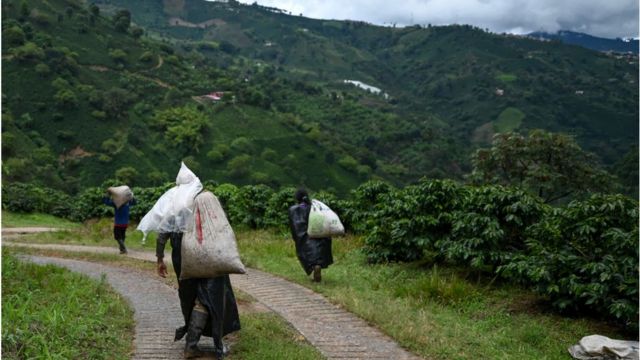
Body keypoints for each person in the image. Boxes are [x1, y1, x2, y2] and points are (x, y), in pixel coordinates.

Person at [156, 229, 241, 359]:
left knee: (190, 295)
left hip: (182, 254)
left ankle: (192, 344)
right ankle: (192, 344)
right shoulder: (208, 207)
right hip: (208, 251)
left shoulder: (173, 208)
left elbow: (162, 232)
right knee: (209, 296)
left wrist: (160, 258)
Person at [288, 188, 333, 282]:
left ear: (297, 198)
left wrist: (297, 236)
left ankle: (313, 267)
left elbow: (294, 225)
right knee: (318, 251)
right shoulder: (314, 207)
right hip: (318, 233)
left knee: (305, 253)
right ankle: (318, 265)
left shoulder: (294, 210)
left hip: (303, 235)